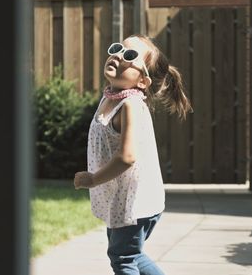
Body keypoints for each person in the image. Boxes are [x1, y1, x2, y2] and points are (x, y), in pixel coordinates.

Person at [74, 34, 191, 275]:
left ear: (142, 82)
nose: (117, 55)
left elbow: (127, 157)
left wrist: (93, 179)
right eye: (118, 49)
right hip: (122, 198)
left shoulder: (131, 106)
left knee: (123, 257)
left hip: (135, 202)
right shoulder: (112, 97)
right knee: (129, 253)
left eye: (129, 56)